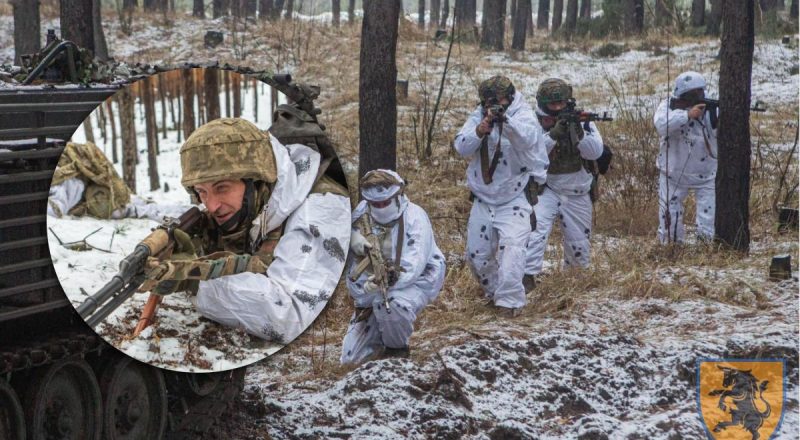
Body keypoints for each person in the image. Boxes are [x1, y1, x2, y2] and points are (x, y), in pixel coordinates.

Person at [141, 117, 351, 343]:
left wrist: (192, 280)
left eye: (222, 188)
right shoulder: (262, 203)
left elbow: (291, 317)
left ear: (257, 182)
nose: (211, 206)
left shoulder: (319, 210)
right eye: (202, 192)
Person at [454, 75, 548, 317]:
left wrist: (506, 123)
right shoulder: (479, 115)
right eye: (489, 101)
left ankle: (510, 303)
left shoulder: (522, 114)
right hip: (483, 196)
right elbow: (461, 147)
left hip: (514, 195)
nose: (495, 105)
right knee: (477, 255)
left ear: (510, 97)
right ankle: (495, 292)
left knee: (513, 250)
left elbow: (528, 140)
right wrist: (479, 130)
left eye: (499, 100)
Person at [341, 169, 445, 363]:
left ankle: (396, 351)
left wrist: (389, 279)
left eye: (385, 202)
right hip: (374, 291)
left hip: (417, 282)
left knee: (393, 305)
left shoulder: (415, 217)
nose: (380, 207)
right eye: (375, 204)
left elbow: (413, 265)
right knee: (351, 359)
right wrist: (350, 239)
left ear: (398, 196)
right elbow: (351, 273)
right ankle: (381, 335)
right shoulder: (359, 215)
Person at [524, 78, 604, 278]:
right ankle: (526, 278)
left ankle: (574, 284)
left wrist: (579, 134)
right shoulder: (534, 122)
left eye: (562, 103)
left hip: (577, 189)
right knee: (533, 235)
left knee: (579, 246)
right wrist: (552, 135)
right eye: (553, 104)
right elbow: (530, 155)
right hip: (545, 189)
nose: (558, 108)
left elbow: (595, 153)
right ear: (543, 104)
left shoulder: (583, 121)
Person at [47, 141, 188, 221]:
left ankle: (181, 214)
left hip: (98, 196)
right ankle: (182, 212)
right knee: (135, 206)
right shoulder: (61, 175)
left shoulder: (61, 181)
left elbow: (55, 209)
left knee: (132, 209)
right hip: (94, 190)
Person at [654, 71, 717, 244]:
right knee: (669, 217)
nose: (699, 96)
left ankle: (705, 249)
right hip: (673, 172)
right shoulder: (668, 106)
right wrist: (687, 115)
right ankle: (671, 249)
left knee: (708, 218)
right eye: (693, 94)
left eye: (700, 92)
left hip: (705, 173)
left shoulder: (711, 109)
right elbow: (661, 125)